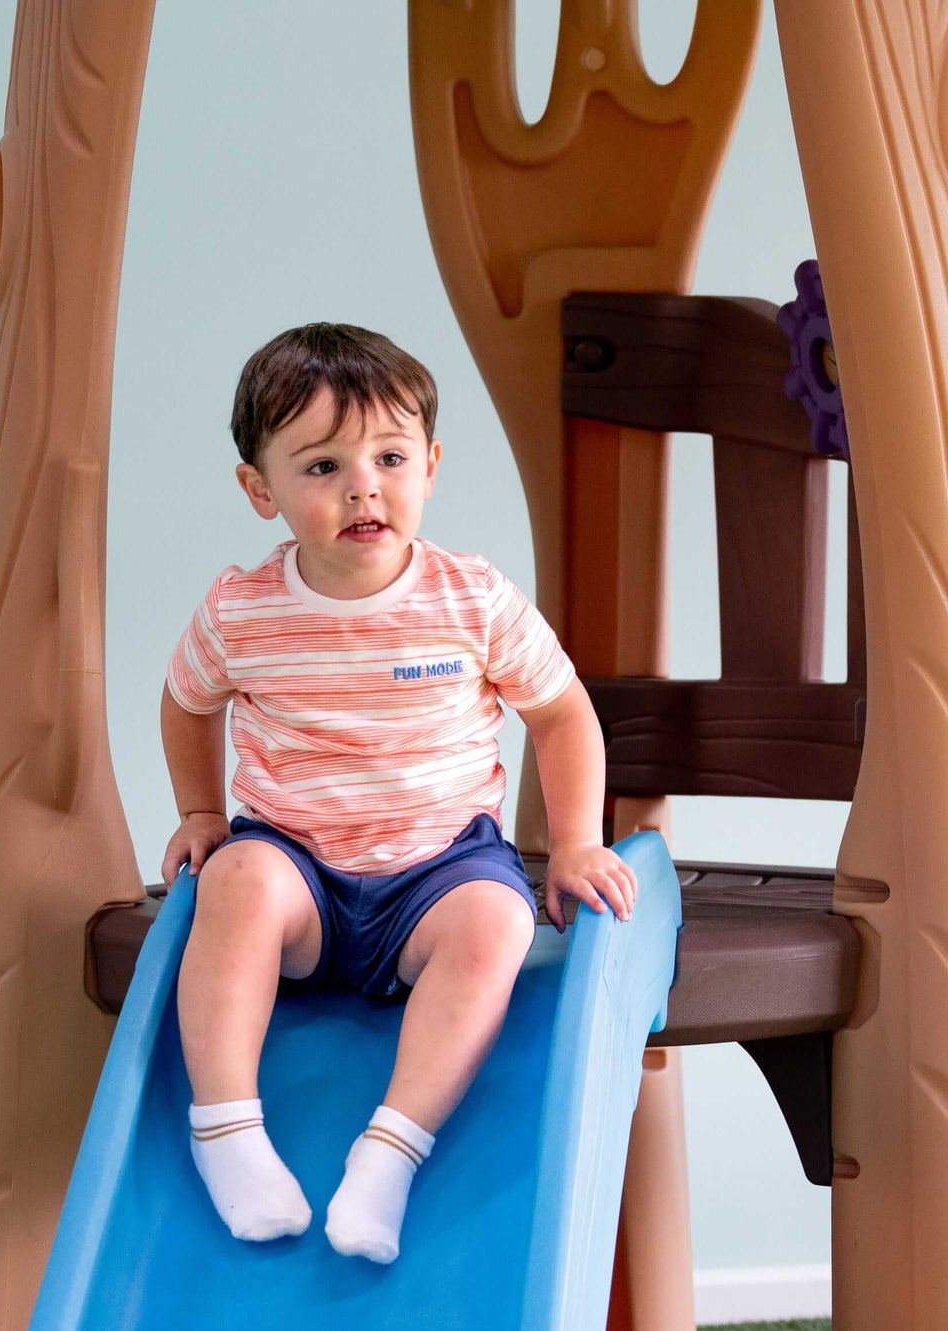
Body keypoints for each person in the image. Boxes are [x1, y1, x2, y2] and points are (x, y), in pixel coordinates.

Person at [159, 322, 637, 1261]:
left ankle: (391, 1150)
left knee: (496, 924)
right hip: (299, 868)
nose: (362, 486)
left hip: (437, 870)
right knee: (238, 883)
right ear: (261, 490)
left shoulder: (471, 597)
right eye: (322, 466)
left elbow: (564, 715)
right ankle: (224, 1126)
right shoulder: (241, 610)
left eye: (388, 456)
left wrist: (576, 839)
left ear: (430, 464)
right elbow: (184, 705)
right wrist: (201, 812)